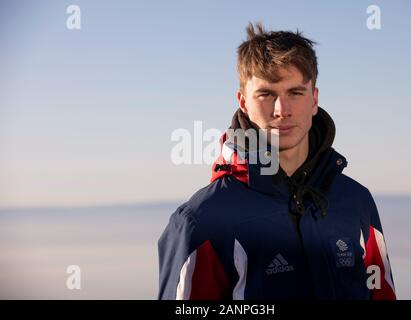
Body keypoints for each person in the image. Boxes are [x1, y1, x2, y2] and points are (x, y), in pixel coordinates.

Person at [158, 22, 396, 300]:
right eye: (266, 94)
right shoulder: (203, 220)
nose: (282, 110)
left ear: (314, 99)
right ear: (243, 102)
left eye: (295, 93)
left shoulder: (356, 202)